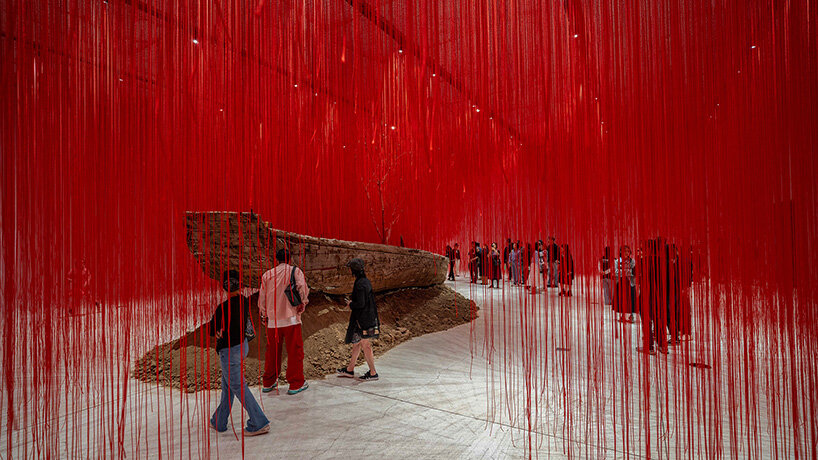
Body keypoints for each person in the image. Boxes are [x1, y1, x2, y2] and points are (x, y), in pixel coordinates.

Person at [209, 270, 270, 436]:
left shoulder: (223, 308)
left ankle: (259, 422)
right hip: (242, 347)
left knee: (237, 386)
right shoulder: (243, 301)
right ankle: (219, 421)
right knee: (228, 385)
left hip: (229, 352)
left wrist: (220, 332)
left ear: (224, 287)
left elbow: (211, 329)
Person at [259, 248, 311, 395]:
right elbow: (302, 289)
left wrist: (264, 314)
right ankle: (295, 383)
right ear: (289, 259)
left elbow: (262, 297)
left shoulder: (267, 275)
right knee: (295, 352)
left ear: (276, 259)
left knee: (272, 353)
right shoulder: (295, 271)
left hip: (272, 322)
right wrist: (303, 304)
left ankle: (268, 382)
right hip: (291, 319)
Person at [337, 258, 381, 381]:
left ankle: (373, 373)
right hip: (363, 319)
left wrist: (351, 304)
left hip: (362, 320)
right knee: (356, 343)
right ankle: (350, 370)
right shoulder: (365, 281)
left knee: (365, 345)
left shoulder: (360, 284)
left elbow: (360, 304)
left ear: (353, 270)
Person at [614, 245, 636, 323]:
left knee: (631, 299)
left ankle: (631, 315)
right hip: (620, 282)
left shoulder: (632, 261)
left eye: (628, 251)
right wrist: (626, 272)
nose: (626, 253)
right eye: (625, 251)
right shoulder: (617, 261)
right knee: (621, 299)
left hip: (630, 283)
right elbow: (616, 272)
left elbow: (634, 271)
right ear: (620, 252)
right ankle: (622, 315)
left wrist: (626, 272)